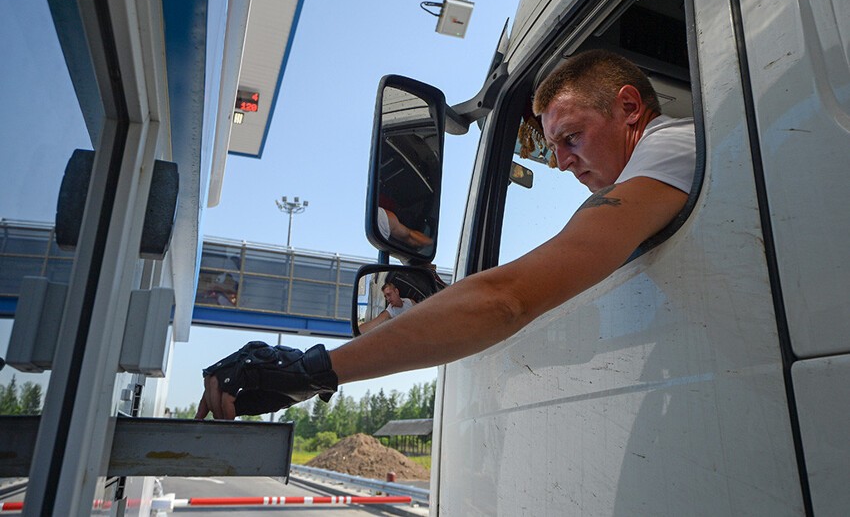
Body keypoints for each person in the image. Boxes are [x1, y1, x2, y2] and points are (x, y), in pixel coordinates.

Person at [196, 49, 696, 420]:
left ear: (630, 107)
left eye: (572, 138)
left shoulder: (672, 148)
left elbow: (506, 300)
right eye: (555, 148)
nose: (563, 163)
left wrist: (308, 371)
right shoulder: (666, 173)